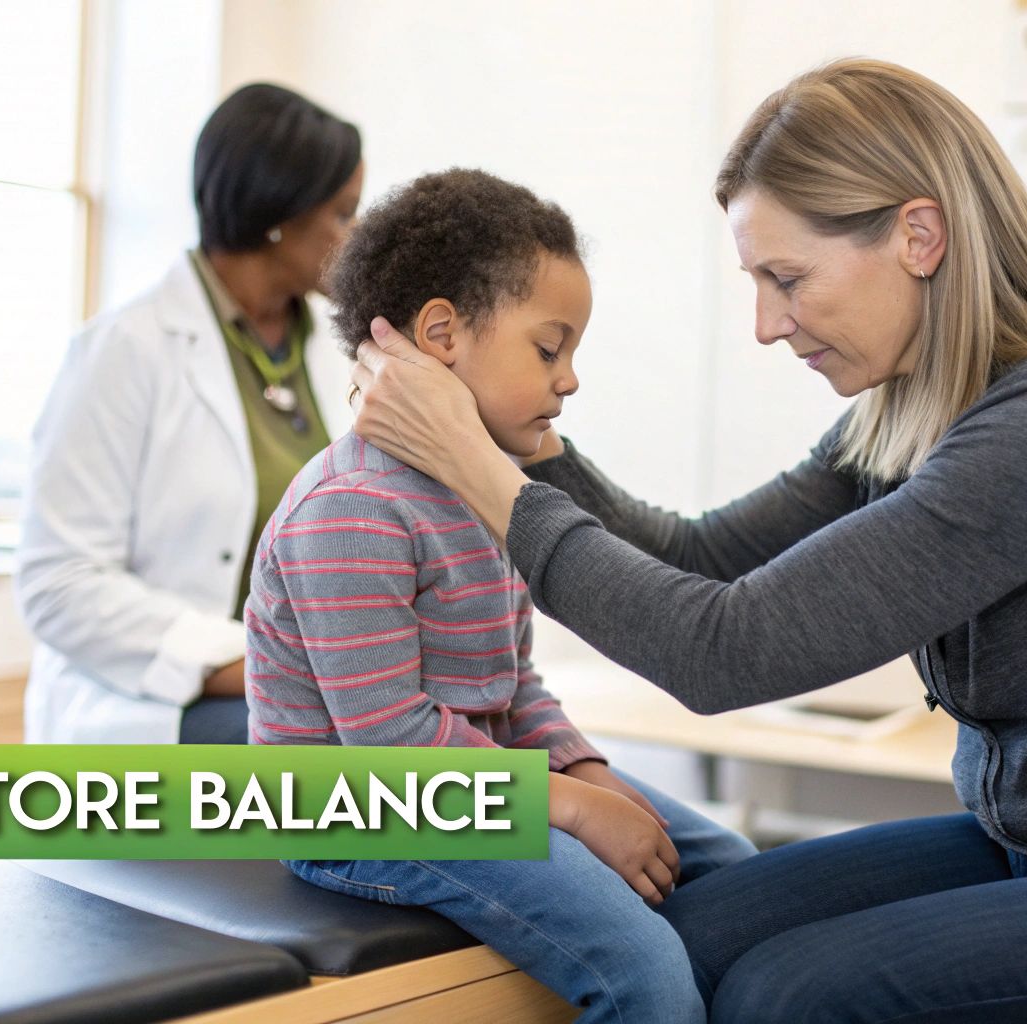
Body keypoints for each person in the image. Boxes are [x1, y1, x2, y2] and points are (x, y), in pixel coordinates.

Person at [342, 60, 1027, 1022]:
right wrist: (505, 427)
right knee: (690, 941)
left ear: (917, 236)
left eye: (786, 280)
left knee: (786, 999)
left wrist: (476, 472)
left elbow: (721, 649)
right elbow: (704, 559)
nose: (764, 323)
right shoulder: (906, 413)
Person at [249, 169, 755, 1024]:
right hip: (367, 810)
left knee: (737, 870)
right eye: (549, 349)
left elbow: (512, 685)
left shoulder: (490, 493)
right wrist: (579, 808)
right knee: (644, 968)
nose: (570, 381)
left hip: (471, 786)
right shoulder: (350, 510)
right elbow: (393, 751)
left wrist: (590, 771)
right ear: (442, 333)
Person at [16, 84, 362, 744]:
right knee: (396, 775)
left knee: (481, 750)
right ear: (277, 212)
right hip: (153, 704)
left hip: (318, 685)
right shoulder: (124, 349)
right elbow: (57, 584)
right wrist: (259, 661)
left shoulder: (339, 355)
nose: (357, 235)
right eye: (343, 212)